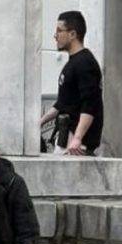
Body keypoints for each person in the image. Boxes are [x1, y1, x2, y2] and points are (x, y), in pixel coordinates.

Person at [40, 10, 104, 155]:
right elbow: (62, 103)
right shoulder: (73, 62)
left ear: (72, 34)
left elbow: (90, 104)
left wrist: (77, 138)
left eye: (59, 31)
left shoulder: (85, 63)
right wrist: (39, 123)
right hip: (65, 138)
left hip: (76, 144)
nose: (55, 36)